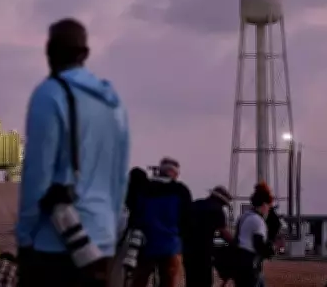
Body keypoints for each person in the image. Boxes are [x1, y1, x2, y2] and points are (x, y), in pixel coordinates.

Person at [16, 18, 130, 287]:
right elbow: (119, 178)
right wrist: (109, 230)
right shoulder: (113, 103)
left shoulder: (50, 94)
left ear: (49, 51)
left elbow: (38, 174)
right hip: (101, 242)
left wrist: (25, 235)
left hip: (56, 243)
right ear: (85, 54)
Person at [129, 157, 192, 287]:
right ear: (174, 172)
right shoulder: (181, 190)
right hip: (170, 245)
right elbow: (187, 218)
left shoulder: (144, 187)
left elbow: (135, 213)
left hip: (145, 243)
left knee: (140, 280)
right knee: (168, 281)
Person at [183, 185, 233, 287]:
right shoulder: (218, 210)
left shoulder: (195, 204)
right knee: (204, 281)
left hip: (188, 251)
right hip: (204, 252)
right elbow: (223, 233)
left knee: (191, 281)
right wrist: (235, 242)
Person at [233, 183, 275, 287]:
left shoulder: (244, 216)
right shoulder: (258, 221)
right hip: (250, 264)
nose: (268, 210)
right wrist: (269, 251)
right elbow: (258, 244)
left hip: (239, 262)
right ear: (264, 205)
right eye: (269, 207)